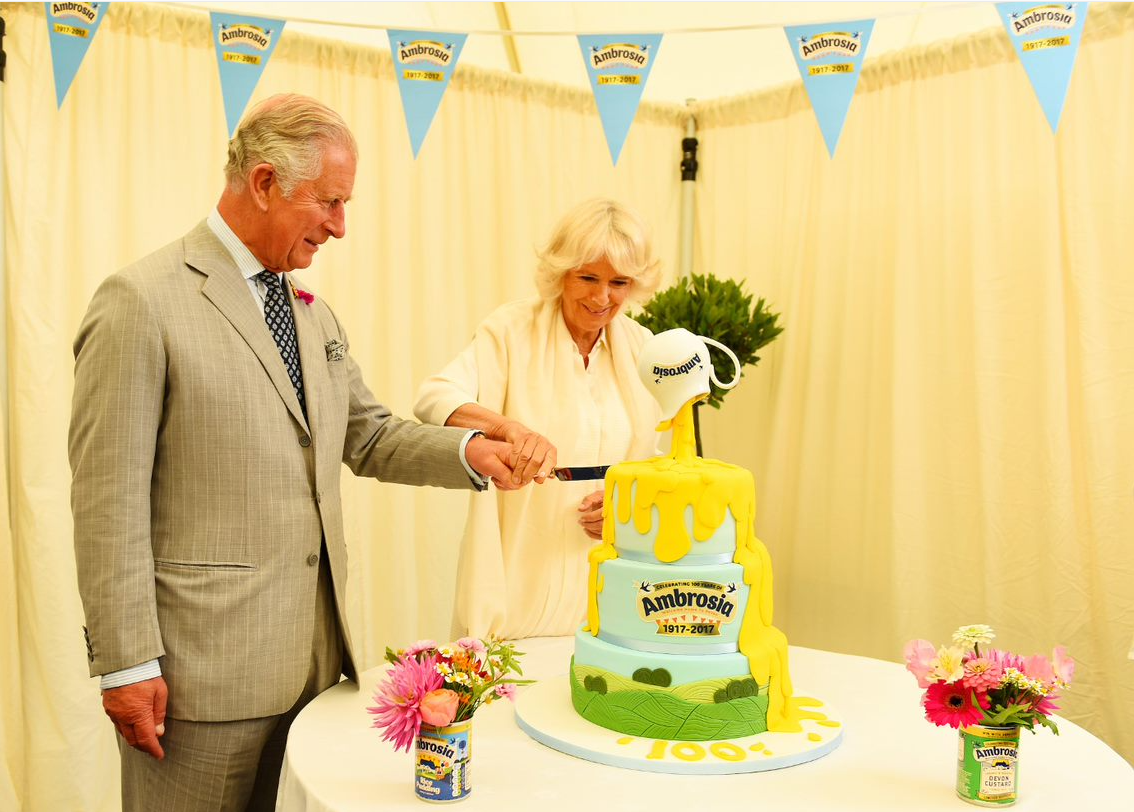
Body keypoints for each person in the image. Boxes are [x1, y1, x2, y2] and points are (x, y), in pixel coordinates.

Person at [68, 94, 521, 812]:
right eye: (330, 203)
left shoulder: (313, 313)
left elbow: (367, 435)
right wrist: (125, 662)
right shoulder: (140, 302)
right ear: (265, 183)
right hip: (198, 682)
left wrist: (472, 450)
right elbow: (106, 502)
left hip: (315, 668)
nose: (341, 227)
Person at [414, 198, 663, 640]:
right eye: (588, 277)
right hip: (519, 577)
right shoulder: (511, 330)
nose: (602, 297)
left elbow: (664, 464)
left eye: (618, 282)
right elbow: (434, 397)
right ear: (561, 272)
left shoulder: (644, 349)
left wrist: (631, 508)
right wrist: (509, 428)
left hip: (608, 582)